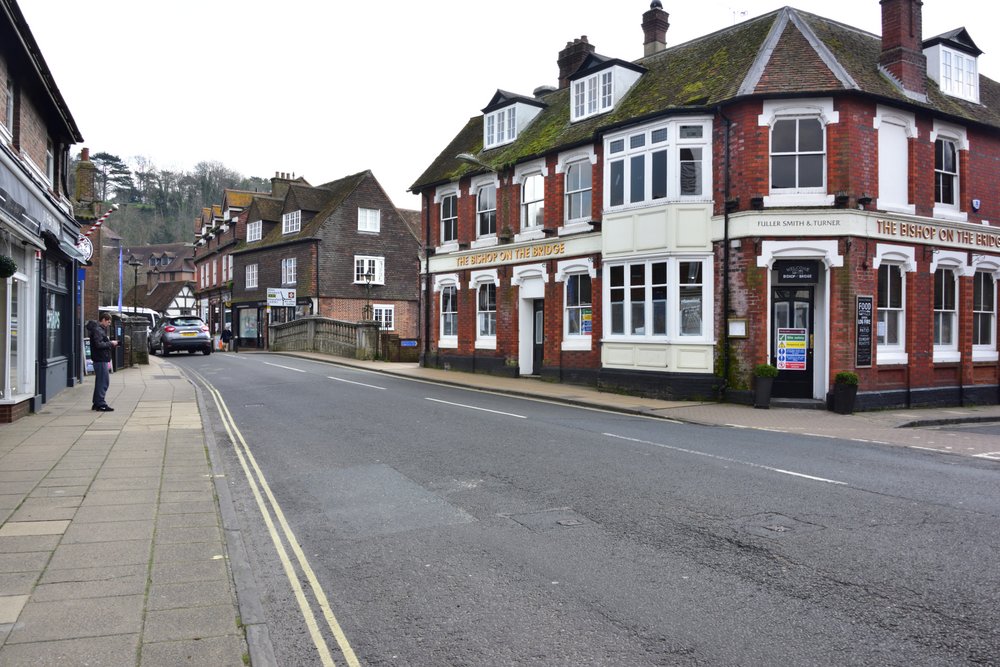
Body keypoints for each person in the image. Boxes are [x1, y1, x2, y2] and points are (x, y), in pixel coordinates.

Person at [87, 313, 118, 412]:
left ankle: (96, 403)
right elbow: (98, 344)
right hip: (100, 359)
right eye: (108, 322)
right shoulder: (98, 330)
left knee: (100, 381)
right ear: (103, 320)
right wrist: (111, 343)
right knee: (104, 382)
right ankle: (101, 404)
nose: (109, 324)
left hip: (100, 359)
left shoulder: (98, 330)